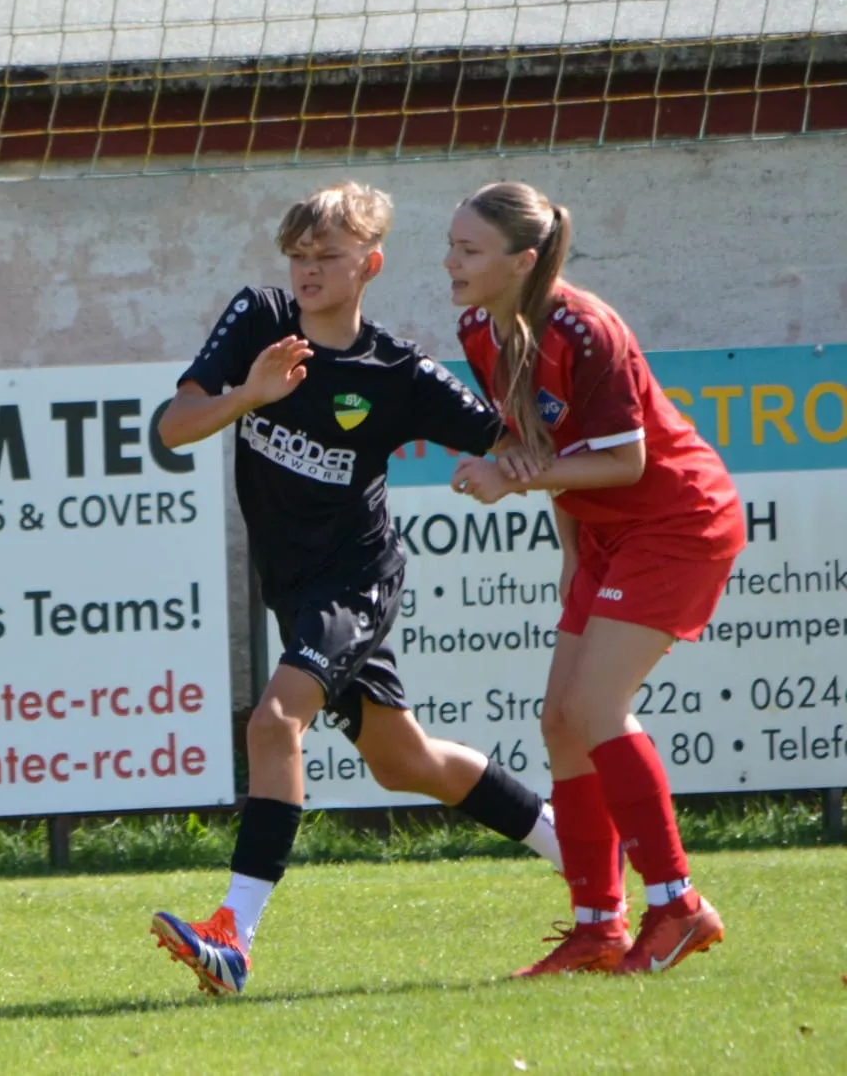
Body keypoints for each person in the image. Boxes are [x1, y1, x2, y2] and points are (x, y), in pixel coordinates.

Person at [148, 180, 563, 997]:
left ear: (368, 265)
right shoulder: (261, 320)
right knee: (404, 763)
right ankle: (582, 852)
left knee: (274, 722)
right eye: (298, 256)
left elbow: (517, 436)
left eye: (327, 256)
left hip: (355, 581)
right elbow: (172, 426)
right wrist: (250, 395)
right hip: (293, 588)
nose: (307, 270)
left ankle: (233, 935)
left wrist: (520, 456)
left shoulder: (398, 371)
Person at [446, 180, 743, 976]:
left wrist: (509, 479)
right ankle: (597, 928)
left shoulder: (585, 328)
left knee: (593, 708)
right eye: (452, 246)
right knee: (560, 721)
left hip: (678, 521)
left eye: (469, 250)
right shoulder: (479, 328)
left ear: (524, 261)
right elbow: (542, 448)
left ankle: (678, 905)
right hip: (607, 536)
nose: (451, 263)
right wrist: (572, 554)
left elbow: (625, 460)